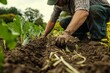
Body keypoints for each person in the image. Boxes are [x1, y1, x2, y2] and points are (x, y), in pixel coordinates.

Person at [43, 0, 110, 45]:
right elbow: (52, 20)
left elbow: (83, 12)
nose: (56, 4)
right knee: (64, 22)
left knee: (93, 9)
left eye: (57, 1)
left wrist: (67, 33)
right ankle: (84, 39)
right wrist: (44, 35)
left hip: (103, 14)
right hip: (88, 19)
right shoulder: (59, 5)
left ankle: (98, 38)